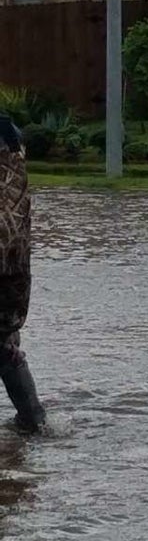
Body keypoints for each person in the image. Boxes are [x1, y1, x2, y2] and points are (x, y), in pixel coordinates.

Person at [0, 115, 46, 433]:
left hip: (8, 268)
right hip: (14, 271)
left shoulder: (8, 176)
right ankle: (33, 421)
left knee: (3, 343)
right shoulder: (15, 168)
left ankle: (34, 421)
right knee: (4, 342)